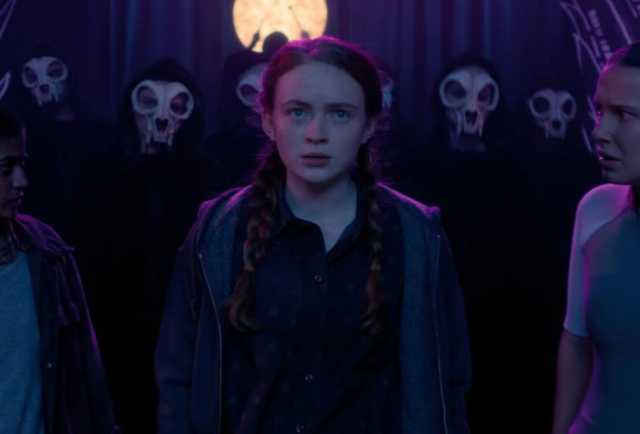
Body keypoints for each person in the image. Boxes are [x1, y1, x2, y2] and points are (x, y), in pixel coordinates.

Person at [156, 36, 471, 434]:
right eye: (298, 111)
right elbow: (178, 376)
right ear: (268, 120)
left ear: (368, 125)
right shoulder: (219, 232)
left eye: (339, 113)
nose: (316, 133)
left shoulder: (415, 236)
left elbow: (448, 384)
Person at [87, 58, 225, 434]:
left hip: (186, 322)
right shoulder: (102, 170)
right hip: (115, 324)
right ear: (131, 107)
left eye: (176, 106)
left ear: (190, 114)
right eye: (149, 103)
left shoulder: (205, 172)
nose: (162, 117)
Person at [0, 108, 118, 433]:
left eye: (22, 165)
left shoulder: (46, 253)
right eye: (6, 168)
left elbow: (88, 371)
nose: (22, 181)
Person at [553, 41, 640, 434]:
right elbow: (575, 342)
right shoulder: (596, 209)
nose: (599, 130)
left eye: (623, 114)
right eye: (600, 110)